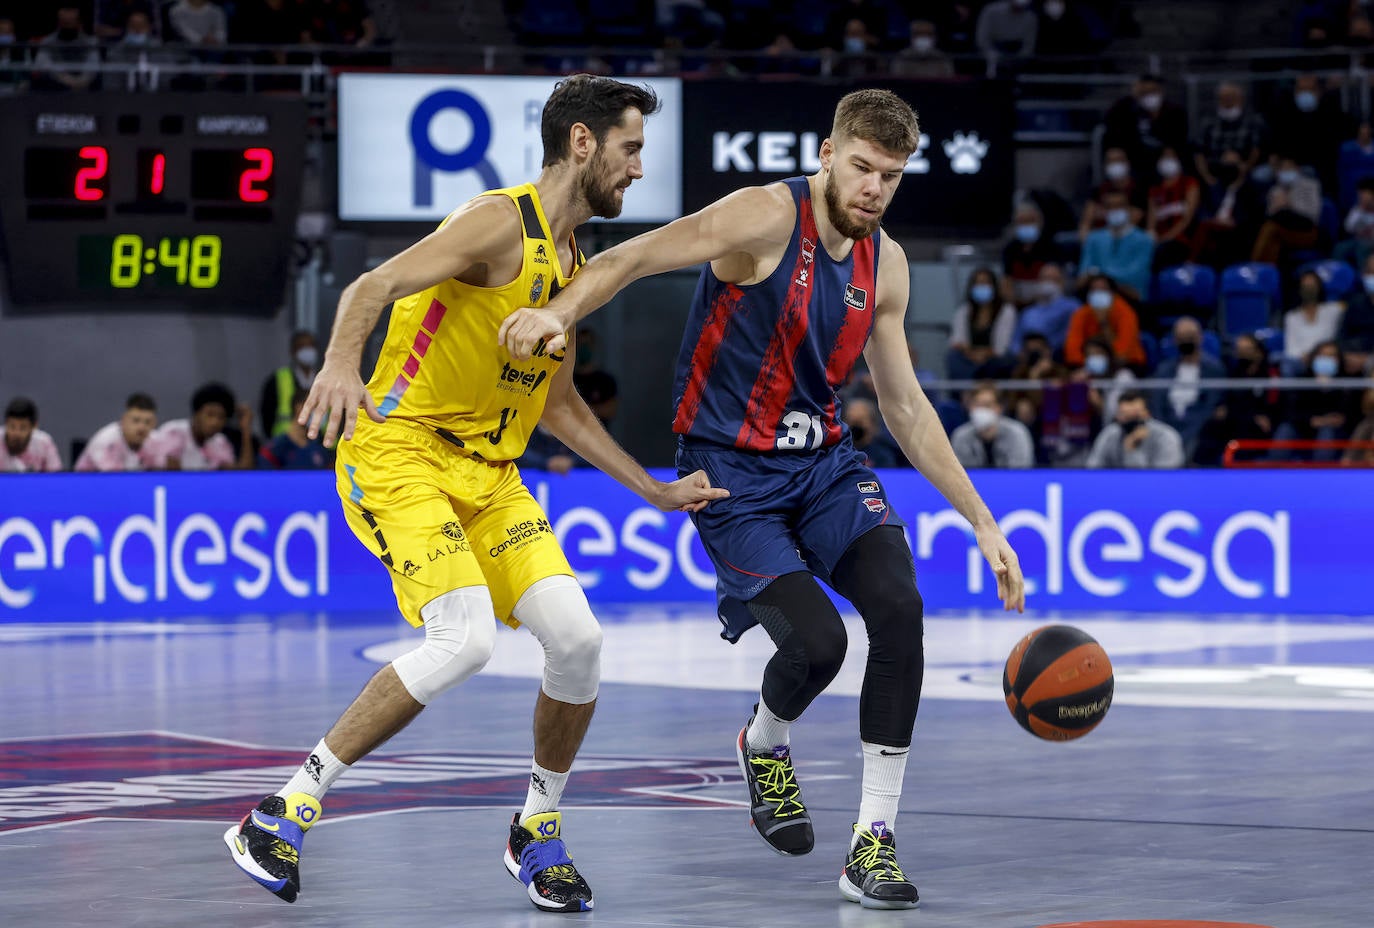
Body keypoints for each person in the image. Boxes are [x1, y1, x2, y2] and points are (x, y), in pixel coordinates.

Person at [498, 88, 1025, 910]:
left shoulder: (887, 264)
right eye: (862, 167)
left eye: (891, 176)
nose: (874, 189)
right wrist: (555, 311)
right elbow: (630, 257)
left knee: (899, 606)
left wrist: (982, 521)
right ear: (828, 154)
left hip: (824, 468)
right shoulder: (764, 216)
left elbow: (905, 406)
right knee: (818, 645)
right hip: (731, 475)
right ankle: (764, 742)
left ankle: (873, 842)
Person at [222, 75, 725, 914]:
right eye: (631, 149)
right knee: (463, 640)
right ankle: (280, 811)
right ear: (582, 143)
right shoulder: (497, 222)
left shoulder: (572, 265)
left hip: (491, 477)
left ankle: (537, 828)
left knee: (579, 642)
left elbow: (558, 405)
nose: (639, 169)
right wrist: (341, 363)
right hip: (402, 453)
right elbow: (368, 288)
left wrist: (652, 489)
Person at [148, 382, 254, 470]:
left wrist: (246, 428)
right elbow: (173, 478)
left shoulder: (220, 442)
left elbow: (241, 476)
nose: (214, 422)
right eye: (210, 414)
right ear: (197, 414)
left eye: (221, 417)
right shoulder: (175, 432)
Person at [1086, 390, 1185, 468]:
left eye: (1134, 416)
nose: (1129, 421)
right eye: (1124, 415)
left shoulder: (1166, 437)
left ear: (1147, 414)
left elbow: (1166, 478)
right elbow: (1093, 467)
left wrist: (1132, 450)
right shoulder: (1110, 434)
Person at [949, 383, 1034, 468]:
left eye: (987, 405)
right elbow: (957, 471)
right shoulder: (960, 436)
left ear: (999, 408)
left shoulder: (1017, 433)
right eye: (977, 405)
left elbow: (1021, 471)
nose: (981, 410)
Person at [74, 393, 158, 472]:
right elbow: (114, 479)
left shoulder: (155, 441)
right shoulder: (105, 441)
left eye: (148, 422)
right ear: (124, 420)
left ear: (154, 423)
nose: (142, 428)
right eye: (136, 420)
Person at [260, 330, 321, 438]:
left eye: (310, 346)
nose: (307, 350)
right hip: (286, 442)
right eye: (302, 346)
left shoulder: (324, 380)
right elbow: (267, 416)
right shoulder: (277, 380)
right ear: (293, 351)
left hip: (321, 443)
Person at [256, 395, 332, 469]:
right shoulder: (275, 449)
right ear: (299, 408)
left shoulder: (320, 447)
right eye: (315, 406)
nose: (321, 412)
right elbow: (265, 475)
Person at [0, 397, 63, 472]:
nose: (16, 433)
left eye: (23, 427)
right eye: (12, 426)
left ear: (34, 426)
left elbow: (56, 475)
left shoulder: (44, 443)